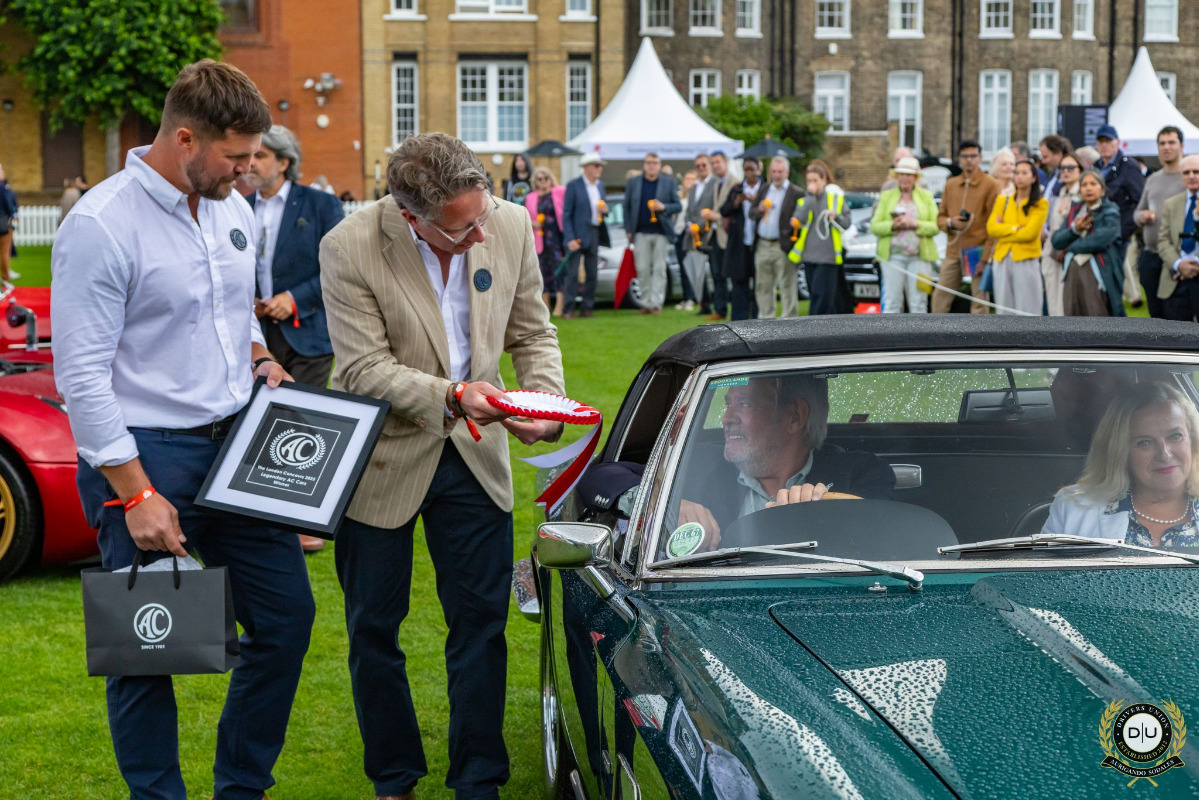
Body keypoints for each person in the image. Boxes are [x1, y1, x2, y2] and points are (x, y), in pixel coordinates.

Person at [51, 59, 315, 800]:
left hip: (238, 448)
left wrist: (260, 358)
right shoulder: (101, 224)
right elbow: (81, 377)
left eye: (255, 156)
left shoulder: (233, 208)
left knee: (287, 620)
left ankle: (241, 787)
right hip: (145, 456)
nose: (249, 170)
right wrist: (136, 493)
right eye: (236, 156)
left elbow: (234, 316)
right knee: (145, 647)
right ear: (185, 139)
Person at [319, 132, 565, 800]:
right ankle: (393, 778)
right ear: (411, 218)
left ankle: (478, 781)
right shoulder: (348, 246)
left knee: (481, 625)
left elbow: (531, 331)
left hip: (477, 458)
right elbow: (363, 369)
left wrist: (542, 401)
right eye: (462, 230)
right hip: (383, 459)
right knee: (374, 628)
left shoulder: (507, 223)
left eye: (484, 215)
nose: (482, 235)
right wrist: (453, 396)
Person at [245, 124, 346, 553]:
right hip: (256, 334)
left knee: (302, 424)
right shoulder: (235, 205)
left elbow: (340, 270)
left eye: (261, 156)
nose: (250, 163)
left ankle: (306, 522)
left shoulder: (321, 204)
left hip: (309, 333)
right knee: (259, 422)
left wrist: (294, 299)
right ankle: (265, 516)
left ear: (284, 162)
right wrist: (248, 299)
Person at [676, 375, 896, 549]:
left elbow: (880, 536)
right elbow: (650, 488)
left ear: (795, 416)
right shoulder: (692, 465)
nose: (727, 418)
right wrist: (673, 506)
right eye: (728, 405)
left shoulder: (858, 473)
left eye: (745, 404)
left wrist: (824, 510)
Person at [1044, 382, 1199, 547]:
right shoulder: (1073, 508)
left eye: (1175, 436)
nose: (1165, 455)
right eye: (1144, 442)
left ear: (1193, 441)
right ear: (1121, 452)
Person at [933, 139, 1001, 313]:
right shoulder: (951, 185)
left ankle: (979, 331)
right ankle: (935, 329)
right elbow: (940, 218)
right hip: (954, 250)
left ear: (980, 158)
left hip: (978, 250)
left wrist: (986, 257)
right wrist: (950, 222)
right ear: (959, 159)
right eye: (965, 156)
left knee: (979, 300)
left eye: (973, 156)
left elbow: (994, 224)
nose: (969, 160)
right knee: (940, 297)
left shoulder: (991, 184)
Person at [1050, 169, 1126, 317]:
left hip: (1099, 270)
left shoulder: (1109, 211)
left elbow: (1098, 240)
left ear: (1102, 189)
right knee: (1073, 315)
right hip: (1073, 272)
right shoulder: (1076, 210)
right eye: (1084, 184)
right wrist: (1075, 230)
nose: (1088, 188)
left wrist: (1070, 247)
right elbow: (1056, 240)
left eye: (1093, 183)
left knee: (1097, 315)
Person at [871, 156, 938, 314]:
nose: (905, 178)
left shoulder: (926, 196)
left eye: (908, 174)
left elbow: (936, 226)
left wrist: (915, 224)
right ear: (897, 176)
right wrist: (893, 225)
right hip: (892, 257)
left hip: (920, 257)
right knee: (892, 302)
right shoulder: (887, 196)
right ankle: (890, 331)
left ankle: (919, 331)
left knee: (919, 303)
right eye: (901, 174)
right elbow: (875, 226)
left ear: (915, 177)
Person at [1133, 126, 1186, 318]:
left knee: (1177, 317)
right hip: (1151, 255)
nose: (1166, 147)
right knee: (1155, 317)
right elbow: (1136, 213)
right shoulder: (1153, 179)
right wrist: (1142, 216)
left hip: (1177, 257)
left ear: (1182, 146)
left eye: (1171, 142)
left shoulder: (1189, 177)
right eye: (1162, 143)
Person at [788, 162, 852, 315]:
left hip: (828, 257)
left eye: (815, 180)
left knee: (822, 297)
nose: (812, 184)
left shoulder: (835, 198)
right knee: (816, 296)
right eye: (809, 181)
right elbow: (798, 219)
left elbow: (847, 222)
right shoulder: (805, 201)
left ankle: (813, 324)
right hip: (809, 256)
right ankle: (822, 325)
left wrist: (836, 216)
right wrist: (810, 197)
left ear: (824, 180)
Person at [987, 159, 1048, 315]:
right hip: (1002, 257)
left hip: (1026, 258)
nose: (1019, 176)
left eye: (1024, 173)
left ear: (1033, 177)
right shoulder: (1003, 200)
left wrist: (1003, 230)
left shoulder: (1040, 203)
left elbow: (1029, 234)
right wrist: (1015, 228)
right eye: (1017, 173)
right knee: (1003, 308)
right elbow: (991, 228)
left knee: (1028, 308)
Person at [624, 152, 681, 314]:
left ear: (659, 165)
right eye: (649, 163)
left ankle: (656, 303)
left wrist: (663, 207)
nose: (651, 166)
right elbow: (627, 206)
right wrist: (628, 229)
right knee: (642, 268)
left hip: (661, 232)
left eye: (655, 163)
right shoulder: (634, 182)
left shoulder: (668, 182)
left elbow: (677, 206)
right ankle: (645, 302)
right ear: (644, 164)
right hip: (640, 232)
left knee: (659, 269)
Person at [749, 155, 802, 318]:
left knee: (787, 285)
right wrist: (759, 209)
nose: (776, 175)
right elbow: (751, 213)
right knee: (763, 285)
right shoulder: (765, 189)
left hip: (782, 245)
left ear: (787, 173)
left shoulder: (796, 192)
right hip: (763, 244)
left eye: (780, 172)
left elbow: (802, 220)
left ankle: (790, 322)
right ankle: (766, 320)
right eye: (774, 171)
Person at [561, 152, 610, 319]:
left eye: (600, 166)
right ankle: (568, 309)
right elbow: (566, 214)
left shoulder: (600, 186)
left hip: (594, 233)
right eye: (596, 165)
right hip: (577, 236)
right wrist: (570, 238)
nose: (599, 169)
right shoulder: (574, 185)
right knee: (573, 274)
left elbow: (603, 210)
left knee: (592, 273)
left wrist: (606, 210)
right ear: (587, 167)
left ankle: (587, 308)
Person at [1154, 154, 1199, 322]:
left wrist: (1195, 264)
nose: (1191, 176)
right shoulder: (1171, 204)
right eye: (1186, 172)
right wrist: (1179, 264)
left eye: (1196, 171)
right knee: (1175, 333)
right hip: (1175, 280)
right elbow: (1163, 240)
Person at [1041, 152, 1083, 316]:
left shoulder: (1083, 193)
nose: (1066, 171)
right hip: (1052, 254)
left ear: (1080, 169)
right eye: (1062, 168)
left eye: (1070, 168)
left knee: (1068, 306)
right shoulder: (1059, 194)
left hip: (1071, 255)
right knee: (1054, 303)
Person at [721, 156, 761, 321]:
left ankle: (758, 318)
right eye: (746, 169)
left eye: (752, 169)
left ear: (759, 170)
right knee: (739, 282)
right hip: (740, 243)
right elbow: (724, 210)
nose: (749, 173)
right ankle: (739, 320)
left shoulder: (765, 188)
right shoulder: (737, 188)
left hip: (758, 243)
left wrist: (755, 201)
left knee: (760, 282)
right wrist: (736, 203)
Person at [1094, 124, 1146, 245]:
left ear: (1117, 142)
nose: (1104, 145)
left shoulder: (1128, 166)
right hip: (1099, 231)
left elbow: (1140, 201)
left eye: (1108, 141)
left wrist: (1121, 232)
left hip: (1121, 235)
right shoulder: (1095, 167)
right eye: (1101, 141)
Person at [526, 166, 567, 316]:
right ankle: (545, 306)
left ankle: (560, 307)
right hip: (540, 240)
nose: (543, 181)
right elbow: (526, 218)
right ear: (535, 181)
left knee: (559, 271)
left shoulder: (560, 192)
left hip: (556, 239)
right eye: (540, 179)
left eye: (546, 178)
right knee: (542, 273)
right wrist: (533, 223)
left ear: (551, 179)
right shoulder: (531, 197)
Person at [702, 150, 735, 320]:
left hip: (729, 234)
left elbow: (733, 210)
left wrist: (716, 217)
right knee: (717, 273)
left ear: (725, 162)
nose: (715, 166)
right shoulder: (717, 183)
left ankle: (734, 309)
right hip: (716, 234)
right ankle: (720, 309)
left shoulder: (734, 182)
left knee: (732, 274)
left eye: (717, 162)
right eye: (713, 163)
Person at [682, 153, 716, 313]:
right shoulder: (694, 188)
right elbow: (688, 211)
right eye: (698, 166)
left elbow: (714, 208)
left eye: (704, 165)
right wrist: (689, 224)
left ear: (709, 166)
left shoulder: (715, 184)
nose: (701, 168)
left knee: (714, 271)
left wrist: (700, 226)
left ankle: (718, 305)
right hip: (692, 236)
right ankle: (704, 304)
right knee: (696, 269)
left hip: (709, 234)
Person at [1038, 134, 1073, 200]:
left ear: (1058, 154)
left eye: (1045, 157)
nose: (1043, 162)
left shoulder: (1070, 176)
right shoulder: (1053, 175)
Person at [0, 164, 18, 281]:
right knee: (5, 252)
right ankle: (5, 278)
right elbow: (9, 204)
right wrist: (13, 214)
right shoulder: (4, 188)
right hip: (3, 223)